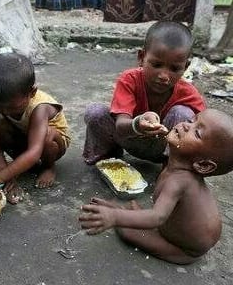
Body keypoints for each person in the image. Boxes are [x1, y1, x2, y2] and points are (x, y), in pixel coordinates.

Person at [79, 108, 233, 264]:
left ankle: (116, 213)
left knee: (128, 232)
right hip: (175, 227)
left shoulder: (180, 181)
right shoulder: (176, 168)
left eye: (197, 133)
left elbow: (157, 217)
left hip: (185, 249)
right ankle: (120, 213)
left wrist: (114, 217)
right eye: (191, 121)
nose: (187, 126)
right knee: (134, 218)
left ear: (203, 164)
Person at [83, 21, 206, 165]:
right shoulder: (129, 80)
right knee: (95, 112)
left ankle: (173, 168)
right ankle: (107, 156)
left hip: (164, 147)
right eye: (157, 65)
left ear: (185, 67)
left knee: (183, 114)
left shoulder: (188, 93)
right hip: (129, 137)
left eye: (174, 69)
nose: (164, 76)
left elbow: (207, 126)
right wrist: (138, 124)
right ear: (141, 58)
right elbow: (121, 125)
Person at [0, 50, 70, 204]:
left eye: (12, 108)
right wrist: (7, 172)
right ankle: (19, 166)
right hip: (25, 135)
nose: (5, 111)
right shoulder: (5, 99)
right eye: (0, 106)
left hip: (51, 144)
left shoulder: (40, 108)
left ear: (32, 92)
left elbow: (34, 152)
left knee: (46, 136)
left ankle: (49, 167)